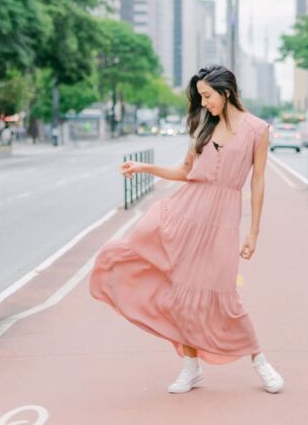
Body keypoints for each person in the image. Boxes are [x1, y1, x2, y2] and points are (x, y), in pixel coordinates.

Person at [89, 65, 283, 395]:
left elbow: (259, 181)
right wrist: (144, 167)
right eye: (200, 97)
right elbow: (184, 171)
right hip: (184, 214)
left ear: (226, 92)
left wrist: (254, 233)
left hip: (222, 221)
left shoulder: (257, 129)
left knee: (225, 295)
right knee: (180, 295)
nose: (203, 103)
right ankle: (191, 367)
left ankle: (259, 360)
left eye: (207, 96)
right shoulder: (202, 128)